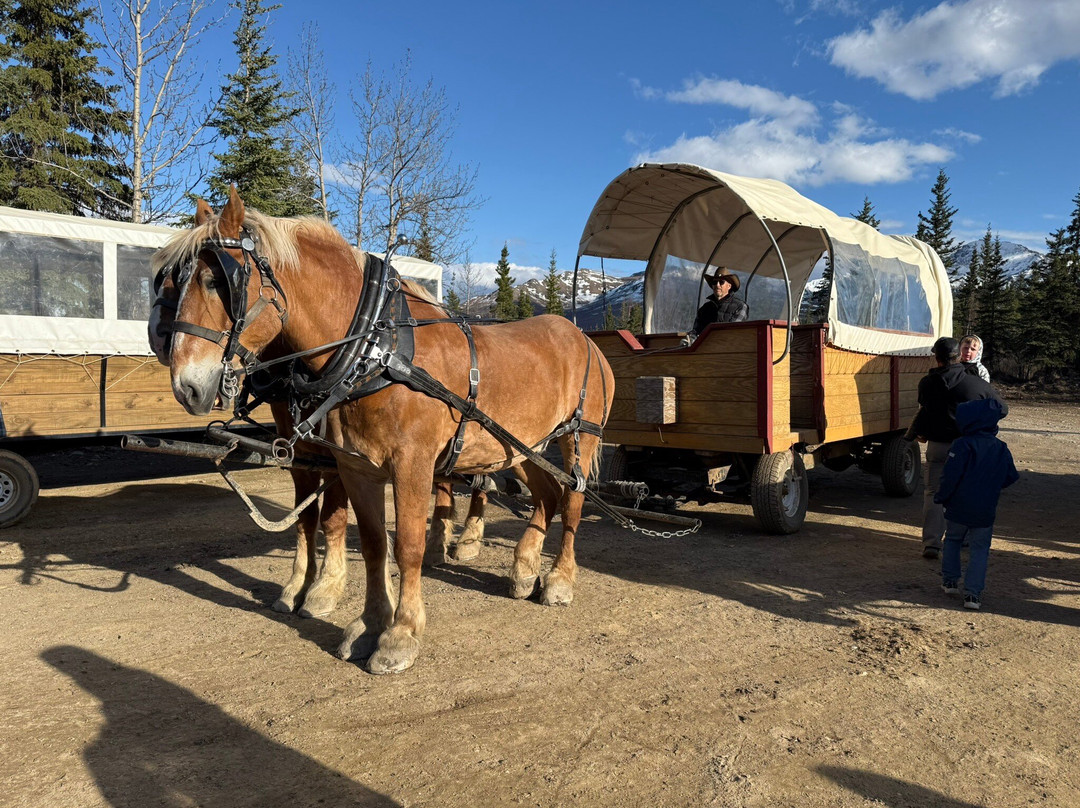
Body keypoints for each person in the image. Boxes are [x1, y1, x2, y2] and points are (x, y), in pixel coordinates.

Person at [905, 336, 1008, 560]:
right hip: (968, 447)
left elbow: (924, 407)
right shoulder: (975, 383)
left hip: (938, 447)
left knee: (933, 493)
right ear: (957, 355)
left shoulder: (927, 383)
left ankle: (931, 543)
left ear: (937, 357)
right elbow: (1002, 409)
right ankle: (961, 539)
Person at [933, 398, 1019, 610]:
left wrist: (941, 497)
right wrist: (991, 486)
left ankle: (950, 581)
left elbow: (950, 476)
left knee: (952, 540)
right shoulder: (1000, 448)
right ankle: (973, 595)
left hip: (958, 505)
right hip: (985, 508)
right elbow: (1010, 476)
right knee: (980, 549)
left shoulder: (962, 444)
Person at [691, 269, 748, 335]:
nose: (717, 285)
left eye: (721, 282)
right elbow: (696, 331)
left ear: (729, 286)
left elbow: (733, 332)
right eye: (714, 282)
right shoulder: (704, 308)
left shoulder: (740, 306)